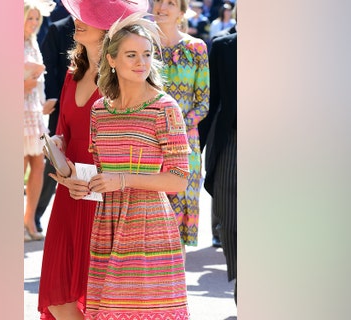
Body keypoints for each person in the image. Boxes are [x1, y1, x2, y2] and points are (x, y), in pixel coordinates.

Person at [37, 1, 150, 319]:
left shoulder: (125, 79)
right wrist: (56, 146)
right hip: (70, 197)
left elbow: (135, 149)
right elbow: (65, 134)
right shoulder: (74, 74)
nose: (77, 20)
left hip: (107, 201)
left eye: (89, 17)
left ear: (110, 29)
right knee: (58, 299)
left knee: (102, 302)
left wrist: (85, 174)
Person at [76, 13, 190, 319]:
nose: (142, 62)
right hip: (108, 225)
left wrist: (123, 179)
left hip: (147, 227)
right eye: (131, 55)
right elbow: (103, 175)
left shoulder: (164, 108)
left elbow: (179, 179)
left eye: (147, 54)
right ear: (111, 60)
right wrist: (78, 184)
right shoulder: (100, 110)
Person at [152, 0, 209, 249]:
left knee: (176, 224)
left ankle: (174, 286)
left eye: (171, 3)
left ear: (182, 12)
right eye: (158, 1)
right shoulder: (142, 44)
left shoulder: (197, 47)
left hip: (184, 143)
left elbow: (203, 103)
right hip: (147, 140)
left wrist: (174, 130)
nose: (162, 7)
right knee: (150, 216)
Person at [198, 31, 237, 307]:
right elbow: (210, 104)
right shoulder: (224, 46)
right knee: (230, 223)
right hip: (232, 144)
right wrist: (191, 149)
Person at [35, 15, 76, 233]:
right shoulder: (57, 29)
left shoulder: (105, 27)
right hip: (60, 107)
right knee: (54, 162)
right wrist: (51, 98)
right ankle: (35, 214)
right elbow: (47, 67)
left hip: (93, 108)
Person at [24, 0, 57, 242]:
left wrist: (44, 102)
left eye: (37, 18)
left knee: (39, 165)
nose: (34, 23)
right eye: (29, 18)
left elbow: (39, 81)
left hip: (35, 111)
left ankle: (29, 221)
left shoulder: (33, 41)